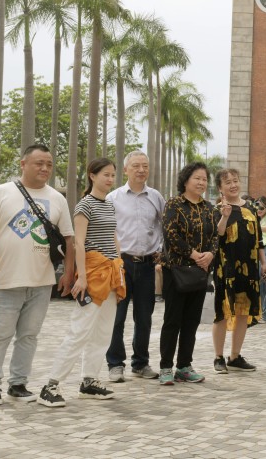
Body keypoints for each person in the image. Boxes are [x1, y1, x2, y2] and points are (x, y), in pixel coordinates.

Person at [0, 144, 75, 406]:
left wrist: (68, 273)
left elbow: (68, 238)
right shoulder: (1, 193)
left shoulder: (57, 198)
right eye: (38, 163)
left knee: (29, 335)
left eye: (49, 164)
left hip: (42, 281)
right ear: (23, 164)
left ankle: (18, 383)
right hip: (7, 279)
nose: (44, 168)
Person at [38, 158, 125, 408]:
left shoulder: (109, 205)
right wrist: (82, 277)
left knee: (103, 331)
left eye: (112, 175)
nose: (109, 179)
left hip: (111, 272)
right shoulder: (84, 205)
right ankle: (51, 385)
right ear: (92, 175)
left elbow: (113, 236)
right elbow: (78, 243)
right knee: (79, 331)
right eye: (105, 175)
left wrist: (120, 265)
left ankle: (89, 380)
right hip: (94, 273)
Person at [105, 150, 164, 383]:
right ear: (126, 169)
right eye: (136, 166)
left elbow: (164, 225)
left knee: (144, 317)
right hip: (122, 264)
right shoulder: (113, 198)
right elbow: (107, 230)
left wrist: (161, 249)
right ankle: (115, 363)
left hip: (148, 264)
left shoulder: (156, 197)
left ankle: (140, 363)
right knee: (117, 317)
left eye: (145, 166)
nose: (141, 170)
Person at [158, 162, 218, 386]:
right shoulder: (173, 204)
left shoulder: (209, 208)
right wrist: (194, 254)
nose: (201, 182)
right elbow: (170, 235)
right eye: (197, 178)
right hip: (176, 270)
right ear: (185, 180)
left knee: (191, 322)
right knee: (172, 320)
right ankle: (165, 367)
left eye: (204, 179)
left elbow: (215, 237)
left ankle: (184, 366)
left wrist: (210, 255)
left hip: (200, 272)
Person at [211, 168, 266, 373]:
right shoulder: (217, 209)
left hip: (250, 267)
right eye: (228, 182)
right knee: (223, 311)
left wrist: (264, 263)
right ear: (220, 188)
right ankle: (218, 357)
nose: (233, 185)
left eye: (235, 181)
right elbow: (217, 235)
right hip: (225, 268)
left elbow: (259, 238)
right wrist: (224, 217)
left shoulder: (251, 207)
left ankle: (235, 356)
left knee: (243, 311)